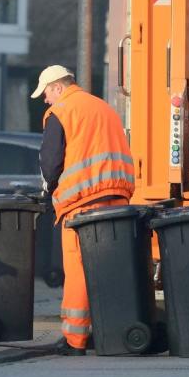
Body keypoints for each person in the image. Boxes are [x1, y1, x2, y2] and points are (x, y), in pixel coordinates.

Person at [32, 65, 135, 356]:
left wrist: (48, 190)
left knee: (78, 268)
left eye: (46, 93)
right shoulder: (102, 107)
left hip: (82, 202)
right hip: (117, 197)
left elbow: (51, 162)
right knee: (110, 269)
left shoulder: (61, 112)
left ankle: (75, 338)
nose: (45, 101)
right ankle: (114, 334)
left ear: (58, 87)